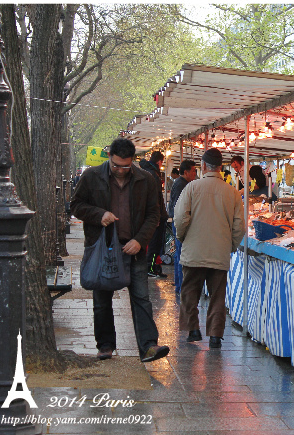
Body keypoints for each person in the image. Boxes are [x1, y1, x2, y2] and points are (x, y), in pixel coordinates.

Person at [71, 138, 170, 363]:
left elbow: (154, 214)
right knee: (102, 298)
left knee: (141, 298)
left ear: (132, 161)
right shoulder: (91, 176)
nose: (120, 170)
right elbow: (76, 205)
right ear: (109, 157)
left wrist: (140, 239)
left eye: (125, 166)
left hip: (133, 247)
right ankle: (105, 345)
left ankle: (148, 346)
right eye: (116, 165)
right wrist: (99, 215)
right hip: (103, 246)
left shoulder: (146, 179)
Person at [174, 148, 245, 348]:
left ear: (203, 166)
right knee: (217, 295)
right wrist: (230, 244)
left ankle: (193, 330)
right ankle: (215, 335)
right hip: (219, 252)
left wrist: (183, 237)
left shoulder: (191, 188)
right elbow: (240, 225)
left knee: (189, 291)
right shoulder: (232, 192)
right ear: (221, 167)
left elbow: (180, 218)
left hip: (193, 251)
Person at [168, 159, 198, 294]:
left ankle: (179, 284)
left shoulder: (180, 183)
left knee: (179, 255)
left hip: (177, 222)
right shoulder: (182, 185)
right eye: (193, 171)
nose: (195, 174)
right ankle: (181, 286)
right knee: (181, 255)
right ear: (186, 172)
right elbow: (181, 209)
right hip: (179, 224)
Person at [139, 150, 169, 278]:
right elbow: (155, 197)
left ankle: (155, 268)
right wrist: (156, 216)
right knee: (154, 244)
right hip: (156, 216)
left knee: (155, 244)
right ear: (159, 161)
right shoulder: (153, 175)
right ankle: (151, 269)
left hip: (155, 214)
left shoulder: (148, 172)